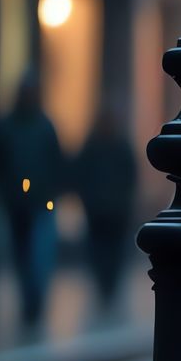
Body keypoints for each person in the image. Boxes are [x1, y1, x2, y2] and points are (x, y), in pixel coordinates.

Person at [0, 68, 64, 329]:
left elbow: (57, 162)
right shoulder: (7, 126)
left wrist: (52, 192)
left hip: (40, 203)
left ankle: (36, 300)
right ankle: (28, 300)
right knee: (22, 255)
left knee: (40, 255)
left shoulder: (45, 126)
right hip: (16, 204)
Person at [70, 106, 139, 314]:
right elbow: (80, 174)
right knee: (99, 251)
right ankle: (103, 283)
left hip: (116, 211)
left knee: (114, 251)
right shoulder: (91, 147)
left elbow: (130, 176)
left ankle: (110, 283)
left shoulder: (121, 147)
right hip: (97, 210)